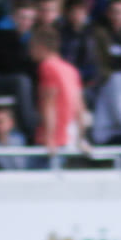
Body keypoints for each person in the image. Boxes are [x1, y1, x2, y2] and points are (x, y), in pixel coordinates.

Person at [29, 25, 82, 158]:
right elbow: (80, 107)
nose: (30, 51)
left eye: (32, 46)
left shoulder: (47, 67)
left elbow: (49, 103)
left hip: (52, 141)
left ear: (41, 46)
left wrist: (49, 138)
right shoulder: (70, 69)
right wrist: (80, 138)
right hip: (68, 137)